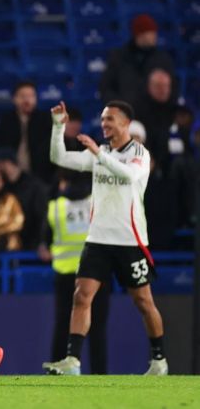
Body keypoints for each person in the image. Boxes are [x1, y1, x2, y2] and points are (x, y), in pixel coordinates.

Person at [43, 100, 168, 375]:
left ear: (125, 123)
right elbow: (59, 158)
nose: (104, 124)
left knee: (144, 302)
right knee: (82, 296)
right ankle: (73, 361)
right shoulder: (102, 152)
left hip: (130, 240)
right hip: (98, 238)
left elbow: (128, 175)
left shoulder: (139, 154)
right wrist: (57, 127)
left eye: (109, 119)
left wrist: (98, 154)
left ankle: (159, 360)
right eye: (102, 119)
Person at [38, 170, 110, 374]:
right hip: (97, 271)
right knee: (97, 327)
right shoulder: (96, 203)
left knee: (63, 324)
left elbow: (45, 243)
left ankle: (57, 368)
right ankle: (99, 373)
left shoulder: (56, 206)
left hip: (65, 272)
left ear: (64, 183)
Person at [99, 14, 176, 107]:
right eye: (150, 32)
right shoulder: (118, 57)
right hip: (126, 113)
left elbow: (173, 88)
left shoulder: (163, 59)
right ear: (140, 34)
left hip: (154, 114)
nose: (155, 36)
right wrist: (119, 106)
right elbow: (106, 87)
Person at [0, 81, 54, 183]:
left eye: (31, 96)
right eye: (22, 96)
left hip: (41, 177)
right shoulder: (6, 121)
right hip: (10, 177)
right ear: (14, 99)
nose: (27, 100)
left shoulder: (46, 120)